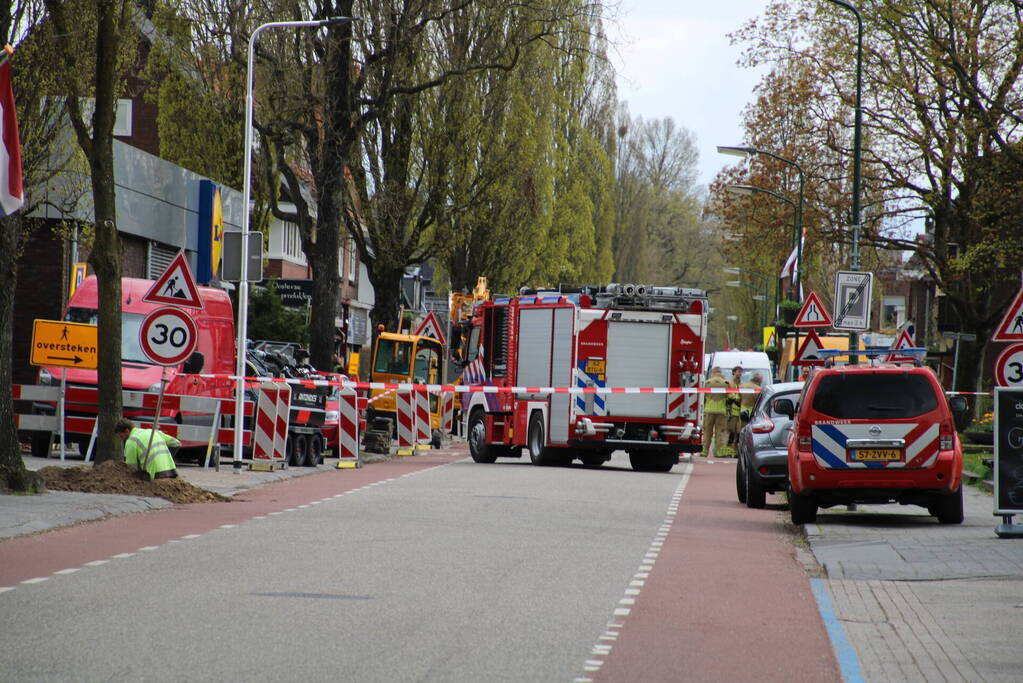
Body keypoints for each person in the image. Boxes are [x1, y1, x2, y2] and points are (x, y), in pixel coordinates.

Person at [115, 418, 180, 480]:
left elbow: (131, 468)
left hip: (155, 475)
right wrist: (165, 457)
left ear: (127, 431)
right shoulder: (152, 432)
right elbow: (176, 443)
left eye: (121, 436)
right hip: (171, 471)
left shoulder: (131, 441)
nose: (121, 440)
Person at [702, 367, 729, 458]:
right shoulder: (726, 383)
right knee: (720, 432)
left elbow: (703, 396)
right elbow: (731, 396)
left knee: (707, 432)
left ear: (713, 372)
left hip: (709, 410)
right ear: (720, 372)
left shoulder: (707, 383)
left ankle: (704, 451)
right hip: (721, 411)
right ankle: (718, 452)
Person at [725, 366, 743, 448]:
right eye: (738, 371)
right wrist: (733, 399)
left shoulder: (742, 384)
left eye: (741, 372)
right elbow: (728, 395)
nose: (739, 373)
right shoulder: (729, 383)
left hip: (740, 410)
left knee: (738, 432)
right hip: (731, 410)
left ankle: (735, 449)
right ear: (733, 372)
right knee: (731, 431)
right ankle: (728, 447)